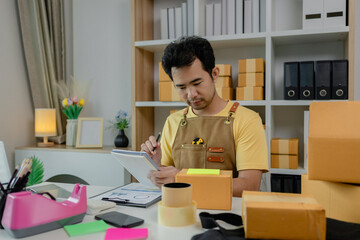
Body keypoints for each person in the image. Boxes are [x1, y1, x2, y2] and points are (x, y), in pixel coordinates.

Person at [141, 36, 268, 197]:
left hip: (226, 217)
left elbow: (249, 186)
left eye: (197, 83)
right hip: (180, 211)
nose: (191, 94)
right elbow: (168, 179)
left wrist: (182, 179)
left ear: (214, 74)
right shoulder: (173, 121)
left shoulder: (247, 120)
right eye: (181, 87)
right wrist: (155, 165)